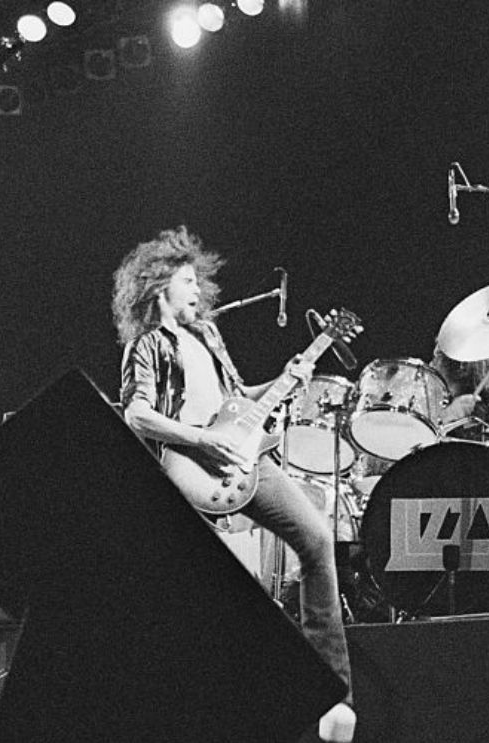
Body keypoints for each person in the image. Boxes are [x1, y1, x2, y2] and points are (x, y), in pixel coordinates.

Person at [113, 226, 355, 743]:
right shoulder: (148, 344)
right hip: (189, 467)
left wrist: (287, 377)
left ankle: (332, 694)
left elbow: (239, 396)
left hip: (246, 459)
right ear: (159, 287)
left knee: (317, 539)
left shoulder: (209, 336)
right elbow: (137, 415)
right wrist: (201, 441)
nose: (197, 289)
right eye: (186, 279)